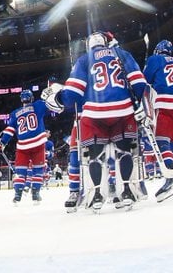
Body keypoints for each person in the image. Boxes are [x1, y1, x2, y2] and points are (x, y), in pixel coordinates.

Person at [57, 31, 147, 211]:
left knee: (94, 157)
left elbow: (73, 94)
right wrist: (140, 103)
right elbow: (138, 82)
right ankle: (128, 190)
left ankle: (97, 195)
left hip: (94, 114)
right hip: (123, 110)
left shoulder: (84, 59)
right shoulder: (122, 53)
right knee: (125, 153)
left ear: (89, 44)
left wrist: (60, 98)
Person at [142, 39, 173, 202]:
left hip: (166, 101)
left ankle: (171, 178)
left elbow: (145, 82)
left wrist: (144, 71)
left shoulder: (154, 59)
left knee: (162, 139)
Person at [0, 88, 62, 204]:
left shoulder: (15, 113)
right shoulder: (38, 105)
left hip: (23, 147)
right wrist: (50, 94)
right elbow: (54, 106)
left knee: (20, 173)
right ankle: (35, 195)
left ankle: (17, 196)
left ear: (21, 100)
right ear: (31, 98)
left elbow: (9, 130)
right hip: (38, 144)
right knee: (38, 171)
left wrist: (2, 143)